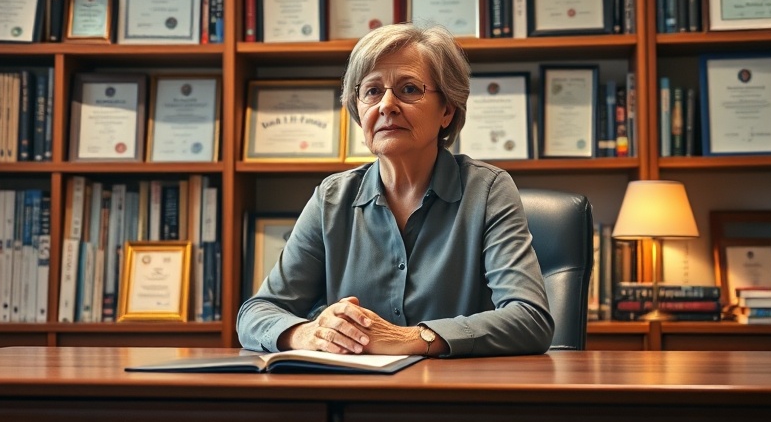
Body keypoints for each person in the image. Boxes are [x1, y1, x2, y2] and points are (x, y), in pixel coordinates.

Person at [237, 22, 554, 357]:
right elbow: (255, 314)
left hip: (456, 398)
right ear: (359, 110)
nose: (387, 105)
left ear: (446, 110)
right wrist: (308, 334)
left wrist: (407, 339)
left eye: (409, 89)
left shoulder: (488, 191)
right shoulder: (331, 199)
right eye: (372, 91)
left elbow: (530, 319)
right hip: (353, 400)